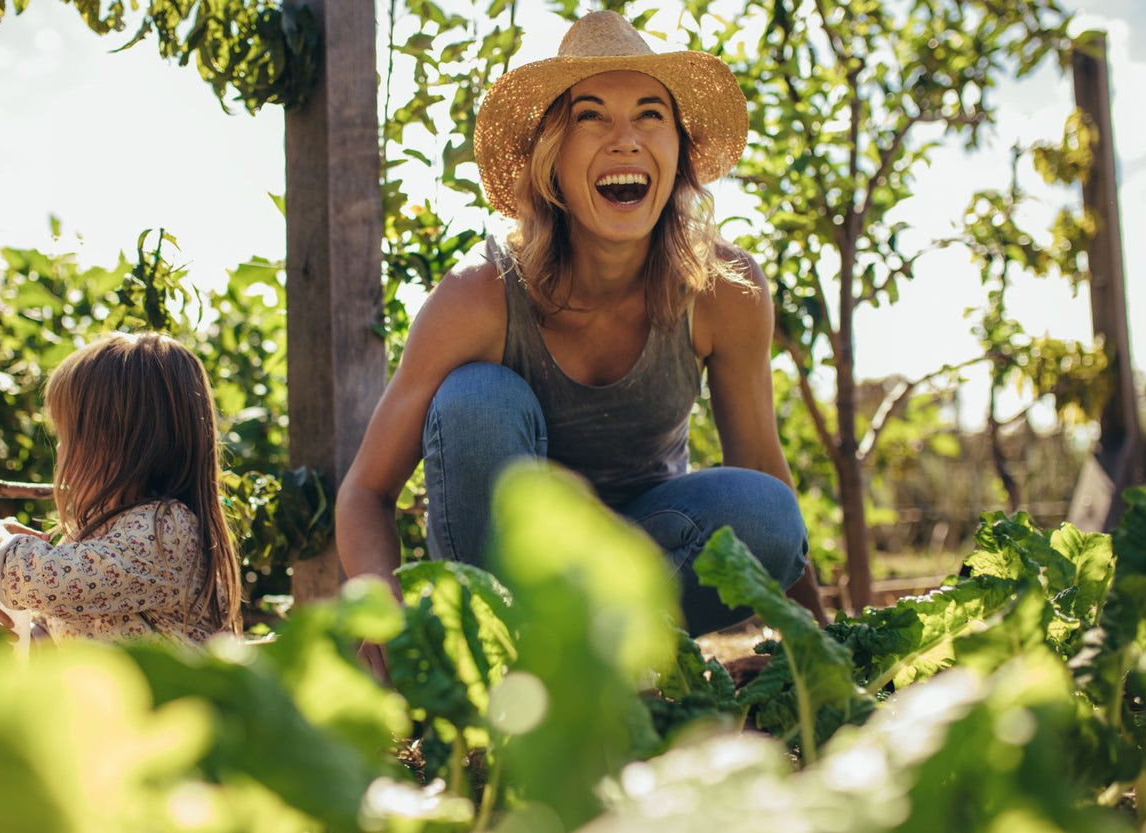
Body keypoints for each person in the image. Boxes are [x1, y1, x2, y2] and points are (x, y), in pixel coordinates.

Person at [335, 11, 828, 668]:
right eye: (592, 117)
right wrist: (380, 603)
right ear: (552, 160)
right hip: (506, 582)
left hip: (650, 561)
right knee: (476, 398)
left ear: (678, 152)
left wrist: (822, 641)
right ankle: (510, 664)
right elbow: (365, 491)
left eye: (650, 115)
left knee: (767, 511)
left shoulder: (723, 289)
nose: (625, 140)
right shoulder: (477, 298)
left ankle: (609, 661)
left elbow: (764, 470)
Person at [0, 332, 243, 654]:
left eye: (66, 435)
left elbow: (40, 580)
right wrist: (16, 640)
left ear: (111, 444)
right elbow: (70, 628)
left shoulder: (164, 530)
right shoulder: (96, 532)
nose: (59, 448)